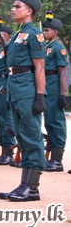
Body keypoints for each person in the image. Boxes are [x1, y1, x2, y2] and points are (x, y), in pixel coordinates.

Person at [0, 0, 46, 202]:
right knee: (22, 136)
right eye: (14, 6)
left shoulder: (34, 34)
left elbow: (39, 67)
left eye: (18, 6)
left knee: (31, 135)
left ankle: (33, 188)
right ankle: (24, 184)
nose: (13, 9)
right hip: (15, 88)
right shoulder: (18, 34)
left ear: (29, 11)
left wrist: (39, 96)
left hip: (27, 89)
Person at [41, 11, 68, 172]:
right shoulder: (45, 47)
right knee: (49, 121)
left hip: (54, 86)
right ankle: (51, 158)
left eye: (47, 30)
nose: (44, 33)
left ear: (55, 32)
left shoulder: (58, 48)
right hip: (46, 86)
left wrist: (62, 94)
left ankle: (57, 160)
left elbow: (62, 72)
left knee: (57, 122)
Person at [0, 18, 17, 165]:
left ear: (5, 37)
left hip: (1, 87)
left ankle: (9, 151)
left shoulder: (7, 52)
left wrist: (6, 88)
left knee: (5, 118)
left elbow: (11, 71)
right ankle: (3, 150)